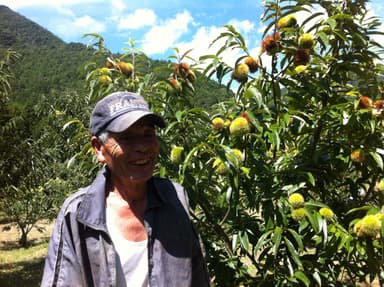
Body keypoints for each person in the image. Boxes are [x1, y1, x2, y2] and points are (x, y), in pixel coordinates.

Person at [41, 91, 211, 287]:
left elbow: (197, 275)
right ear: (98, 148)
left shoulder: (176, 198)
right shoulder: (77, 214)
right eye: (126, 137)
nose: (142, 147)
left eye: (148, 134)